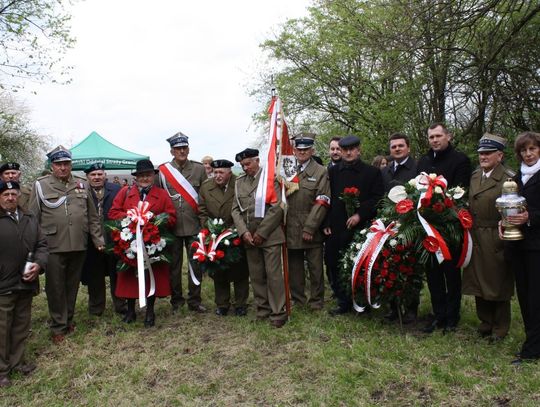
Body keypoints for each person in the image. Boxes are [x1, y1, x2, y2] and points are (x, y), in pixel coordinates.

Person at [29, 146, 104, 344]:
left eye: (66, 164)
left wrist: (98, 240)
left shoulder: (81, 183)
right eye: (58, 164)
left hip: (78, 243)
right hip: (52, 245)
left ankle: (68, 319)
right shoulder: (40, 185)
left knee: (72, 286)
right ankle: (57, 326)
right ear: (52, 166)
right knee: (55, 288)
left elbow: (93, 216)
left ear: (70, 164)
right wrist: (33, 248)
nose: (63, 168)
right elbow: (32, 219)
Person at [417, 123, 472, 333]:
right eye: (431, 137)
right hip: (427, 227)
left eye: (438, 136)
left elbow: (460, 192)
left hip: (449, 227)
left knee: (451, 274)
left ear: (448, 136)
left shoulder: (460, 160)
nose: (435, 140)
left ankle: (452, 317)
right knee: (433, 274)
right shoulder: (424, 161)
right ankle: (438, 315)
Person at [109, 159, 176, 327]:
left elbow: (172, 217)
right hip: (130, 243)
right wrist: (130, 219)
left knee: (151, 277)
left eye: (148, 175)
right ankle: (131, 310)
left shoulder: (161, 195)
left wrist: (154, 221)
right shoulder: (125, 192)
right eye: (141, 175)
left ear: (153, 176)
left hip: (152, 244)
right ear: (136, 177)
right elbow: (113, 212)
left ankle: (150, 311)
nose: (145, 178)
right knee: (130, 278)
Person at [323, 135, 385, 315]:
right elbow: (328, 198)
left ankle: (363, 301)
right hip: (336, 225)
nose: (348, 153)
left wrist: (360, 214)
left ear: (359, 150)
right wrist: (326, 222)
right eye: (344, 150)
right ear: (340, 151)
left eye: (352, 149)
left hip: (361, 226)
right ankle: (343, 301)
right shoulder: (333, 172)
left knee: (361, 264)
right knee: (334, 263)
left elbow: (377, 197)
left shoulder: (371, 172)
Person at [462, 134, 514, 343]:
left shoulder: (508, 178)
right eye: (481, 153)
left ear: (499, 156)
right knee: (477, 280)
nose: (483, 156)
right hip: (475, 234)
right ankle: (485, 322)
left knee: (497, 282)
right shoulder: (475, 176)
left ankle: (500, 327)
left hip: (495, 235)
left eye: (488, 153)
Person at [231, 148, 287, 328]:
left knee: (274, 276)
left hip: (269, 235)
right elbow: (235, 209)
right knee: (256, 276)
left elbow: (277, 207)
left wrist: (261, 233)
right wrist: (243, 232)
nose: (245, 168)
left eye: (248, 164)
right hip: (249, 237)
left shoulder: (270, 179)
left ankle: (278, 311)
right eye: (242, 165)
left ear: (257, 161)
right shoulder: (239, 182)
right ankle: (263, 309)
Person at [0, 181, 47, 387]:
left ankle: (17, 362)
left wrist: (38, 264)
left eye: (13, 194)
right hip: (3, 285)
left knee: (20, 326)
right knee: (2, 330)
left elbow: (42, 245)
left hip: (26, 283)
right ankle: (2, 371)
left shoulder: (29, 218)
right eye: (6, 194)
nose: (10, 198)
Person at [159, 132, 208, 313]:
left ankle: (194, 300)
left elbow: (205, 196)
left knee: (195, 265)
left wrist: (205, 224)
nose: (182, 151)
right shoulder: (163, 172)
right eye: (178, 148)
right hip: (172, 227)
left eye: (184, 148)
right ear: (172, 151)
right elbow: (159, 197)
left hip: (194, 224)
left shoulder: (199, 169)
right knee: (174, 266)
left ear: (188, 149)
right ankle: (176, 300)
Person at [504, 131, 540, 365]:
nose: (527, 154)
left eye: (532, 149)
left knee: (536, 297)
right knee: (525, 296)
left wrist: (530, 217)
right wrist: (502, 222)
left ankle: (532, 349)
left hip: (537, 245)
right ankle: (532, 340)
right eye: (523, 150)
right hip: (517, 244)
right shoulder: (516, 178)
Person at [198, 159, 249, 316]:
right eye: (215, 172)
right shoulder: (206, 187)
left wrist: (236, 230)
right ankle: (222, 303)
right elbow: (202, 210)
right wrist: (209, 229)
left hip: (236, 231)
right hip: (215, 234)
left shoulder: (239, 183)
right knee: (218, 269)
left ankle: (241, 304)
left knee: (240, 269)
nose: (217, 176)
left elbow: (244, 207)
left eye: (221, 172)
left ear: (229, 172)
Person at [285, 135, 330, 310]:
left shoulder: (320, 171)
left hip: (312, 226)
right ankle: (298, 299)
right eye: (299, 149)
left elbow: (323, 201)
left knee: (315, 267)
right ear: (294, 150)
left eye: (306, 149)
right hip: (290, 226)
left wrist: (310, 227)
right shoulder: (287, 169)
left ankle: (317, 301)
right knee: (294, 267)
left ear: (312, 151)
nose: (302, 152)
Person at [381, 133, 420, 323]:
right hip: (389, 226)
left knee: (410, 268)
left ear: (408, 148)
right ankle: (393, 307)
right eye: (393, 146)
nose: (397, 149)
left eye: (400, 146)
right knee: (391, 265)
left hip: (410, 225)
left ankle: (411, 308)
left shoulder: (417, 169)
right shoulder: (386, 171)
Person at [80, 162, 126, 316]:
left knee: (116, 273)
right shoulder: (80, 191)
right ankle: (96, 308)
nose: (97, 177)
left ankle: (121, 305)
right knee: (95, 276)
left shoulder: (116, 190)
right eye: (93, 175)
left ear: (105, 175)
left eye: (100, 174)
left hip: (113, 239)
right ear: (87, 177)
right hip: (91, 241)